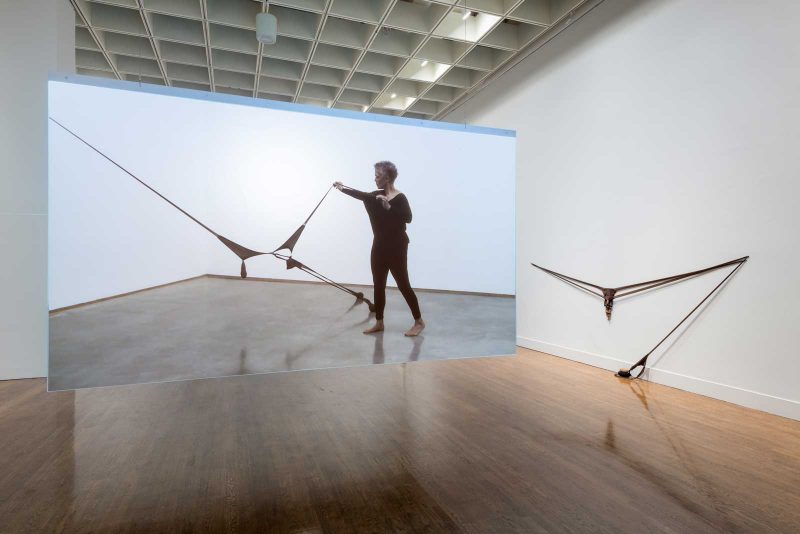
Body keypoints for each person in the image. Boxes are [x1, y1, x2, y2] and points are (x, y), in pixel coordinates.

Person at [334, 161, 425, 336]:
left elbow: (408, 218)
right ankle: (379, 322)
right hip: (379, 245)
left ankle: (419, 321)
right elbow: (361, 195)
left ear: (388, 177)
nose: (374, 178)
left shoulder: (400, 197)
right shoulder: (375, 196)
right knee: (378, 284)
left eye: (378, 175)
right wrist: (342, 188)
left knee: (403, 284)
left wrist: (389, 208)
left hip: (397, 246)